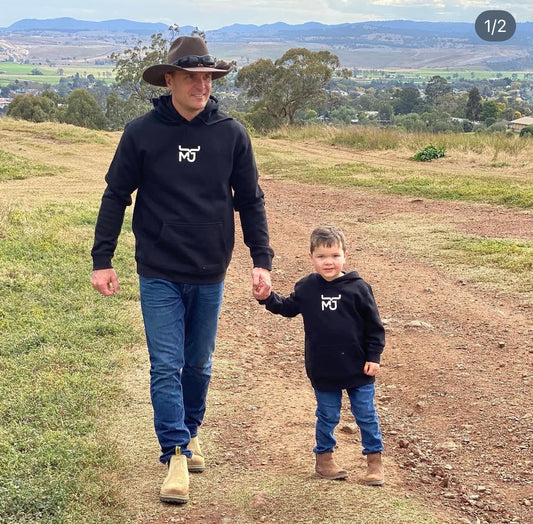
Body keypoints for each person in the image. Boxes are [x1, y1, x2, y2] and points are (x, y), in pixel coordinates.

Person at [91, 35, 274, 504]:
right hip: (158, 269)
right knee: (165, 364)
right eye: (191, 77)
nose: (201, 85)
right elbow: (116, 195)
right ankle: (175, 452)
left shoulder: (231, 134)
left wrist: (261, 260)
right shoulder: (141, 132)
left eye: (208, 78)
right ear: (169, 80)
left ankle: (190, 431)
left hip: (210, 269)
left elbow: (251, 200)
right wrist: (102, 260)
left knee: (199, 363)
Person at [257, 225, 385, 485]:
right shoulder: (307, 288)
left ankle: (374, 461)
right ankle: (324, 458)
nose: (329, 262)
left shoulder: (359, 288)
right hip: (323, 367)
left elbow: (374, 327)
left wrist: (374, 357)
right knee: (327, 415)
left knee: (365, 414)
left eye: (335, 255)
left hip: (359, 367)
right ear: (311, 257)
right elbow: (288, 308)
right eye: (322, 256)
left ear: (345, 256)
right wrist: (267, 298)